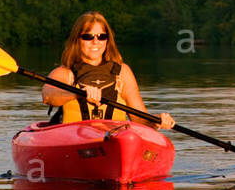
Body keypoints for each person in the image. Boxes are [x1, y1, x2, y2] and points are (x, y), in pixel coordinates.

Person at [41, 11, 175, 129]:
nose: (95, 42)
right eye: (88, 37)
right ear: (77, 40)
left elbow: (140, 120)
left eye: (101, 36)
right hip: (73, 139)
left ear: (107, 40)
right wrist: (77, 93)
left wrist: (157, 121)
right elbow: (48, 96)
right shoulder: (65, 73)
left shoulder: (122, 73)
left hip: (113, 138)